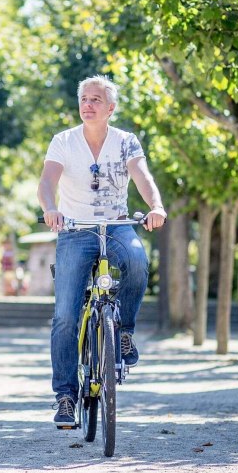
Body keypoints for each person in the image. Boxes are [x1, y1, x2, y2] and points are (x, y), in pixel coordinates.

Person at [38, 75, 167, 427]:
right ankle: (65, 396)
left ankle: (123, 332)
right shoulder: (63, 141)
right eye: (84, 98)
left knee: (138, 262)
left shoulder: (126, 142)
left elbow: (142, 177)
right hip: (75, 229)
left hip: (116, 225)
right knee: (65, 315)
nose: (88, 104)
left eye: (96, 99)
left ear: (110, 109)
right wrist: (51, 208)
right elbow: (47, 183)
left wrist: (155, 206)